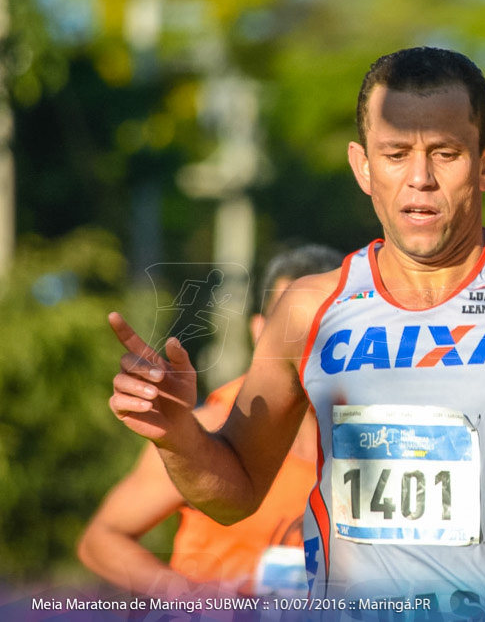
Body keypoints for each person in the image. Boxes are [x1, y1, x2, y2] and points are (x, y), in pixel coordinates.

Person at [107, 47, 485, 617]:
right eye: (396, 154)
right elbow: (233, 494)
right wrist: (177, 433)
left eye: (445, 153)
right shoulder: (307, 307)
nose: (419, 178)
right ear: (363, 166)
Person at [80, 244, 343, 599]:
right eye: (290, 322)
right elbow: (102, 540)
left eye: (322, 325)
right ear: (259, 330)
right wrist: (194, 601)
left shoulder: (377, 434)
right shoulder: (205, 430)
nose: (303, 339)